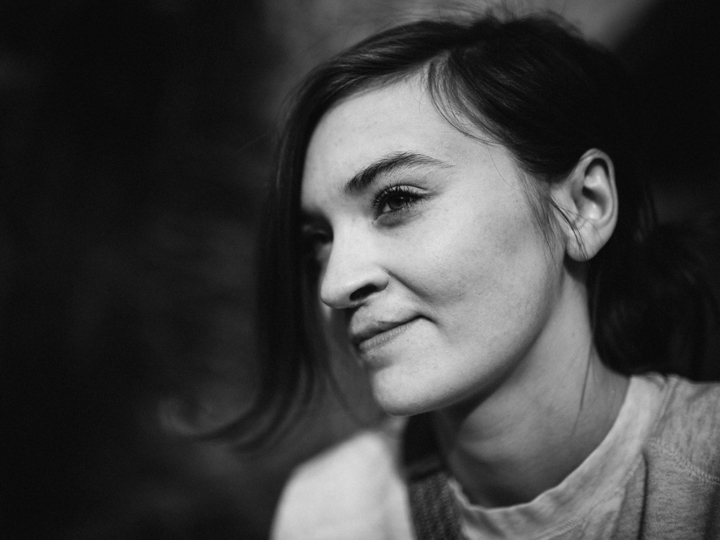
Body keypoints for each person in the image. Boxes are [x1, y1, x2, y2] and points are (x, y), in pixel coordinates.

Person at [250, 12, 720, 539]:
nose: (334, 285)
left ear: (586, 205)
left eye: (396, 199)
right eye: (319, 240)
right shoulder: (329, 512)